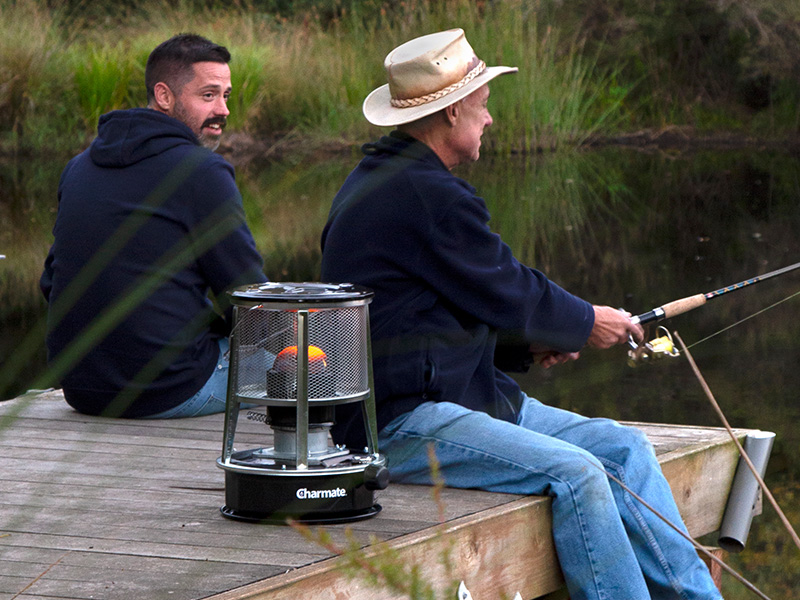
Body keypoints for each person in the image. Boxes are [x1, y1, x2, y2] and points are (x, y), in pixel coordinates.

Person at [320, 29, 723, 600]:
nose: (490, 120)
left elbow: (445, 307)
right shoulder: (423, 194)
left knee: (624, 449)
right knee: (578, 474)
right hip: (400, 421)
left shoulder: (396, 182)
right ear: (454, 109)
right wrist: (588, 320)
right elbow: (513, 289)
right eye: (483, 107)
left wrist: (522, 349)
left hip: (465, 395)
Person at [40, 33, 267, 419]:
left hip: (80, 388)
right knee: (303, 364)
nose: (224, 110)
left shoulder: (79, 167)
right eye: (209, 95)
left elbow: (51, 281)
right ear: (164, 96)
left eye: (226, 95)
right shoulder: (202, 172)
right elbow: (246, 297)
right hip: (168, 389)